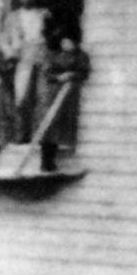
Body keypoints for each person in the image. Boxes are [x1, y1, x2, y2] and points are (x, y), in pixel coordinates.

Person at [0, 0, 52, 141]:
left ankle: (39, 136)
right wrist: (11, 55)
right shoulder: (13, 17)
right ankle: (20, 134)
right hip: (22, 58)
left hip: (41, 56)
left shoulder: (43, 14)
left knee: (42, 97)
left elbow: (52, 35)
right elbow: (5, 40)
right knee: (21, 96)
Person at [37, 35, 91, 172]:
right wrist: (58, 77)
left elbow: (84, 73)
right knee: (49, 126)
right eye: (63, 42)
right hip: (53, 93)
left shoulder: (81, 57)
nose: (65, 45)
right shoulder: (54, 56)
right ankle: (45, 162)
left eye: (68, 42)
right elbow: (47, 73)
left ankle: (52, 162)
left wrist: (71, 75)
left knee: (60, 128)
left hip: (69, 96)